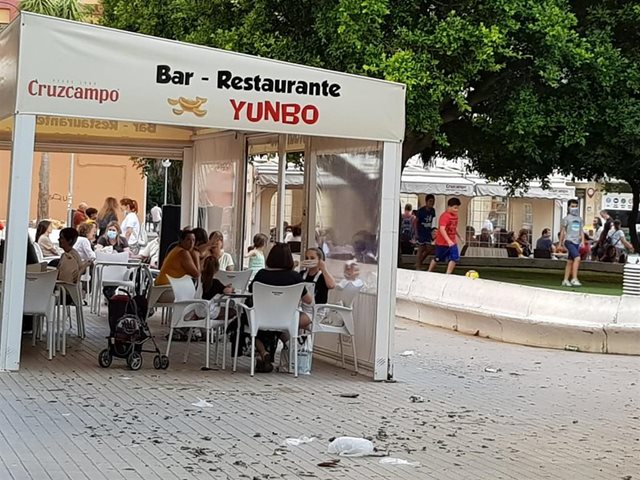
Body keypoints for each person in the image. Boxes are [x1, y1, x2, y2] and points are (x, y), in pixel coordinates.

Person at [249, 243, 313, 373]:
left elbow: (251, 292)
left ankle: (263, 352)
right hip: (286, 319)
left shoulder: (262, 275)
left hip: (262, 317)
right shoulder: (295, 277)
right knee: (280, 324)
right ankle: (287, 348)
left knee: (246, 320)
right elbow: (309, 300)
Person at [428, 197, 461, 274]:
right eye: (455, 208)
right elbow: (442, 229)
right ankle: (429, 271)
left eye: (457, 208)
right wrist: (448, 240)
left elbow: (454, 228)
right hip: (442, 242)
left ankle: (448, 274)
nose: (456, 210)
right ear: (449, 207)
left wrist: (459, 237)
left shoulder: (455, 216)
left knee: (454, 257)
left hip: (452, 242)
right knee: (438, 258)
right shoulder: (444, 216)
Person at [559, 199, 586, 287]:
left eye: (576, 206)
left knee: (570, 261)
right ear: (569, 207)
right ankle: (574, 278)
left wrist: (582, 241)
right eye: (572, 206)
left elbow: (581, 231)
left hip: (576, 242)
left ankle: (565, 280)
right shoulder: (566, 219)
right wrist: (560, 243)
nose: (574, 208)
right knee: (577, 258)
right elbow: (562, 231)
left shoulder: (579, 219)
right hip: (569, 241)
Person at [414, 194, 436, 270]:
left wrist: (433, 232)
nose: (431, 203)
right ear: (426, 202)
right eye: (430, 201)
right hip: (421, 232)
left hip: (428, 232)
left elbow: (433, 221)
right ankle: (418, 266)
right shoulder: (421, 211)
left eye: (433, 202)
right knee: (421, 248)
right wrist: (416, 233)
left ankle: (419, 262)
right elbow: (415, 222)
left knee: (429, 249)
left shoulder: (433, 211)